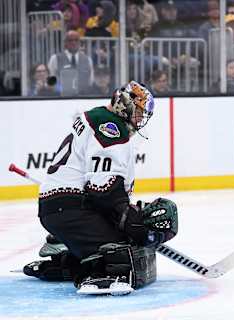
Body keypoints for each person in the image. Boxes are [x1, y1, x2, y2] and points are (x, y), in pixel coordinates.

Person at [23, 81, 179, 295]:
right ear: (126, 104)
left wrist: (124, 215)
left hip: (64, 209)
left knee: (126, 243)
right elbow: (102, 188)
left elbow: (100, 188)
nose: (140, 120)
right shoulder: (111, 127)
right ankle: (92, 271)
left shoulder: (99, 116)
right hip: (73, 210)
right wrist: (128, 218)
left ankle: (67, 261)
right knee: (121, 254)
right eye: (139, 113)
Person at [48, 30, 94, 95]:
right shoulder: (55, 58)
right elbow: (51, 80)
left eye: (76, 40)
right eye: (70, 40)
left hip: (83, 97)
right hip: (61, 98)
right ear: (65, 42)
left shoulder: (88, 59)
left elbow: (91, 81)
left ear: (80, 42)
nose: (73, 43)